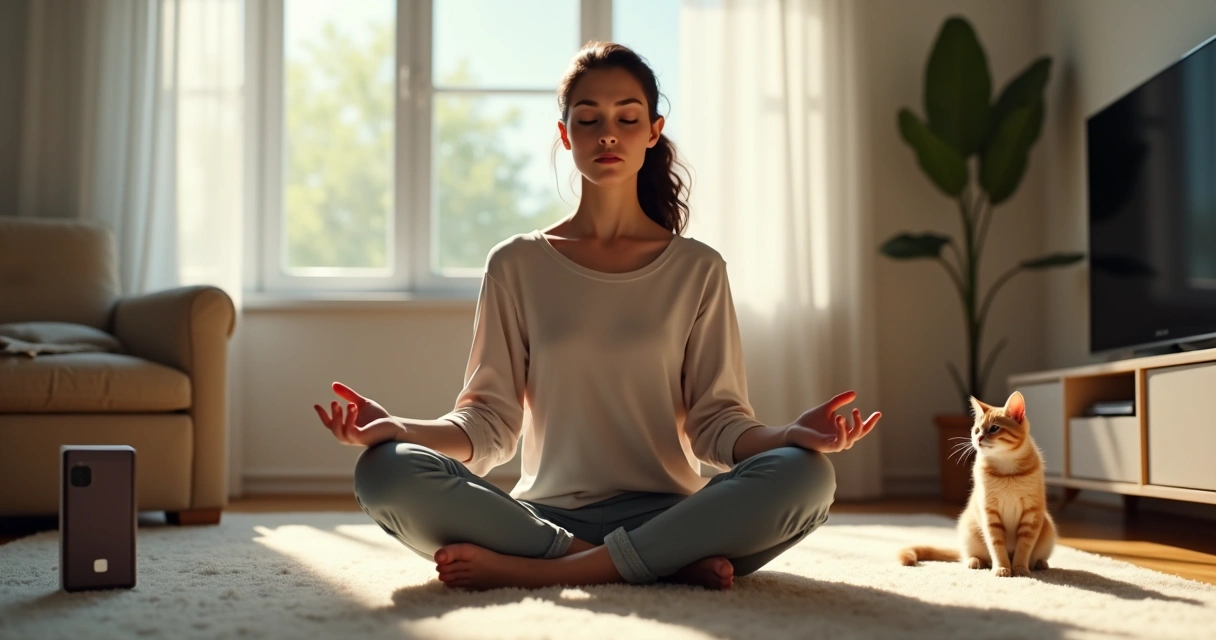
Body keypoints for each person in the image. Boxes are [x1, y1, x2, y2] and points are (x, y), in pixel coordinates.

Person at [313, 41, 880, 591]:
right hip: (545, 525)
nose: (608, 132)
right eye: (588, 119)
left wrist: (790, 434)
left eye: (628, 118)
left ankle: (551, 573)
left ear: (654, 132)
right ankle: (647, 566)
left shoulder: (698, 269)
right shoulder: (516, 263)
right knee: (383, 470)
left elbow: (716, 426)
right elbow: (487, 426)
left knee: (807, 475)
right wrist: (398, 429)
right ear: (565, 135)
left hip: (671, 518)